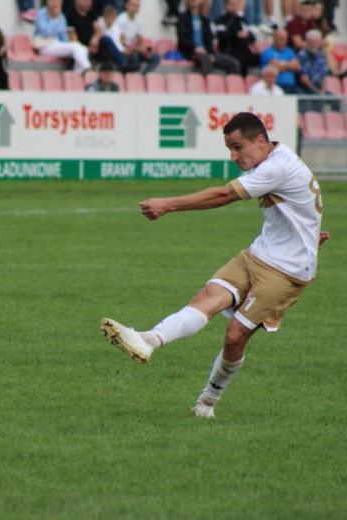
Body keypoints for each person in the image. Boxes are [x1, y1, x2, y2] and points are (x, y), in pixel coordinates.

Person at [101, 112, 329, 418]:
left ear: (260, 141)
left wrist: (168, 204)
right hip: (258, 255)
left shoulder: (277, 167)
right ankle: (148, 340)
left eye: (238, 147)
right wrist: (309, 234)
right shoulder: (276, 158)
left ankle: (207, 403)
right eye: (229, 149)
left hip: (285, 272)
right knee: (206, 298)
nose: (233, 156)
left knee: (235, 336)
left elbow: (224, 195)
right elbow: (300, 204)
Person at [177, 0, 240, 75]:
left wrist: (210, 53)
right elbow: (183, 39)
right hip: (191, 52)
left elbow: (209, 39)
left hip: (206, 51)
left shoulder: (204, 20)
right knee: (206, 59)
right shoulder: (182, 18)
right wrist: (195, 48)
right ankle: (209, 82)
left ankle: (230, 84)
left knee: (234, 63)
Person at [34, 0, 91, 73]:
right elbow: (46, 33)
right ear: (48, 2)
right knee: (75, 47)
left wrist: (70, 39)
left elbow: (63, 38)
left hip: (57, 44)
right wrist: (53, 18)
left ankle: (78, 74)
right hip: (44, 45)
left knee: (83, 48)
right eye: (54, 2)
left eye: (58, 2)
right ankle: (88, 68)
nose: (56, 4)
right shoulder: (41, 14)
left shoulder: (61, 16)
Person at [214, 0, 260, 76]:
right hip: (230, 52)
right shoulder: (221, 20)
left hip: (245, 52)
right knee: (239, 61)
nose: (234, 7)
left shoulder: (242, 20)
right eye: (231, 5)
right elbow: (221, 36)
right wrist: (236, 35)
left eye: (235, 5)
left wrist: (257, 49)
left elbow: (251, 37)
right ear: (226, 6)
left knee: (262, 59)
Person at [297, 29, 339, 111]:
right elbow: (303, 78)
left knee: (335, 100)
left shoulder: (320, 56)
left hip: (319, 88)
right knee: (316, 99)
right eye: (311, 42)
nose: (314, 45)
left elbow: (324, 76)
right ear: (307, 42)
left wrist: (322, 91)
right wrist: (316, 91)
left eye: (316, 42)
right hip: (306, 88)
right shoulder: (302, 56)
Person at [115, 0, 160, 73]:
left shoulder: (139, 21)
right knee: (132, 55)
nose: (135, 8)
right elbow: (119, 41)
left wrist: (146, 50)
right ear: (127, 6)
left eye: (137, 6)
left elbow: (141, 40)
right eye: (133, 5)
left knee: (155, 56)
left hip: (134, 49)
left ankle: (143, 75)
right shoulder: (121, 19)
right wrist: (133, 48)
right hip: (124, 50)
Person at [260, 28, 300, 93]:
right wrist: (288, 65)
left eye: (285, 39)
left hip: (291, 86)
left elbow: (296, 65)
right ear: (274, 38)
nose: (283, 41)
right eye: (281, 39)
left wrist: (282, 64)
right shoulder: (268, 52)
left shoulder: (289, 51)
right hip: (275, 85)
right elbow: (275, 68)